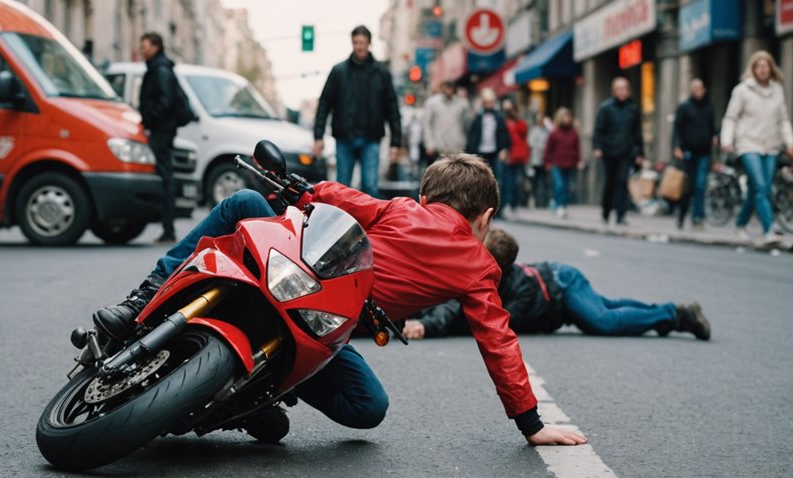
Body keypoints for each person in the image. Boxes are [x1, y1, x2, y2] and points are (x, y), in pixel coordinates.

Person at [92, 154, 587, 447]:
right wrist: (531, 423)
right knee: (367, 407)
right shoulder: (481, 267)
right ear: (486, 216)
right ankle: (152, 309)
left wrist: (300, 188)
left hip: (314, 323)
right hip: (325, 325)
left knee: (243, 204)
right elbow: (499, 342)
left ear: (426, 196)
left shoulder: (399, 209)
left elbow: (340, 197)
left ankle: (144, 305)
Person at [403, 228, 711, 341]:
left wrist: (430, 326)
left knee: (603, 321)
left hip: (563, 285)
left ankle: (675, 316)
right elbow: (455, 302)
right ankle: (674, 313)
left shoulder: (518, 292)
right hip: (558, 285)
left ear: (498, 267)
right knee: (610, 308)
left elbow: (486, 320)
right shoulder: (490, 276)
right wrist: (427, 322)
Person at [313, 25, 402, 199]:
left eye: (362, 42)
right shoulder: (339, 71)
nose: (359, 46)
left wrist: (395, 143)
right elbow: (324, 103)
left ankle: (369, 226)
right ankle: (341, 225)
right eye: (356, 42)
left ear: (369, 44)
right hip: (345, 138)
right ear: (352, 43)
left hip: (371, 139)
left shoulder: (381, 72)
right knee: (342, 189)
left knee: (370, 187)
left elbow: (392, 107)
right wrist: (318, 137)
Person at [720, 50, 793, 243]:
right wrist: (726, 140)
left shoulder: (777, 90)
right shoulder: (742, 90)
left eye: (766, 66)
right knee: (761, 186)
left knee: (760, 189)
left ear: (771, 68)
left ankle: (740, 224)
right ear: (753, 69)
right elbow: (731, 117)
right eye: (759, 66)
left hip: (770, 145)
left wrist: (790, 142)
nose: (763, 69)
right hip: (748, 144)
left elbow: (783, 119)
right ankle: (769, 228)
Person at [138, 32, 180, 244]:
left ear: (155, 46)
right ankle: (166, 225)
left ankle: (168, 228)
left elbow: (165, 102)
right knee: (165, 175)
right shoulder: (158, 67)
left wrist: (149, 119)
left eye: (145, 46)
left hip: (162, 129)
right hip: (162, 128)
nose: (142, 50)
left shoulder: (160, 69)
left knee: (165, 177)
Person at [593, 77, 644, 225]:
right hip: (609, 151)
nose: (622, 92)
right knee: (610, 182)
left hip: (626, 151)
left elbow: (637, 132)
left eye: (624, 88)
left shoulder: (633, 109)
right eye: (619, 89)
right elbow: (599, 129)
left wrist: (640, 152)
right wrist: (597, 147)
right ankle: (606, 211)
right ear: (614, 91)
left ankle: (621, 215)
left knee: (622, 182)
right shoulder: (606, 108)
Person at [672, 78, 717, 230]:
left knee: (700, 185)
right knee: (688, 186)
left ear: (704, 89)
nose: (697, 91)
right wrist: (677, 146)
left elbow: (712, 127)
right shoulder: (684, 107)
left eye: (700, 88)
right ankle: (682, 214)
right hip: (688, 152)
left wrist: (715, 138)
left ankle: (698, 217)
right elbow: (677, 128)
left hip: (704, 152)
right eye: (694, 88)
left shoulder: (708, 107)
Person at [465, 88, 510, 199]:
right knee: (479, 180)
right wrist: (471, 152)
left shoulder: (498, 117)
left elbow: (504, 134)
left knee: (496, 180)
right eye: (487, 102)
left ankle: (497, 206)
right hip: (480, 152)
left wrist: (504, 149)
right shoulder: (478, 117)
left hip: (495, 152)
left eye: (491, 102)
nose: (489, 105)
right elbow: (472, 135)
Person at [543, 107, 582, 219]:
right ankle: (558, 204)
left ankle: (563, 205)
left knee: (566, 186)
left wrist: (579, 161)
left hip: (569, 163)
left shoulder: (574, 133)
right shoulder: (554, 133)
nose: (567, 119)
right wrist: (547, 162)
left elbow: (577, 148)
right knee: (559, 185)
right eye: (564, 117)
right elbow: (548, 149)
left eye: (568, 116)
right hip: (556, 163)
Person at [422, 80, 469, 166]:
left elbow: (466, 124)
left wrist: (464, 142)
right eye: (446, 87)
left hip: (456, 147)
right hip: (439, 147)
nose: (448, 90)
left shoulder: (462, 104)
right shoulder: (432, 103)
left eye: (450, 87)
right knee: (439, 174)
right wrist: (429, 143)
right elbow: (427, 124)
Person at [499, 99, 529, 219]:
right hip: (508, 155)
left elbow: (524, 133)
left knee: (517, 182)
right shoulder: (503, 122)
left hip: (519, 156)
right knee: (507, 182)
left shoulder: (520, 123)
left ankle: (514, 204)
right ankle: (507, 205)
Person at [527, 113, 550, 208]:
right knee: (535, 182)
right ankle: (536, 200)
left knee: (544, 181)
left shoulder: (547, 131)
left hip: (544, 160)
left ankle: (543, 201)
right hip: (535, 160)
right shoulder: (533, 130)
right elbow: (530, 142)